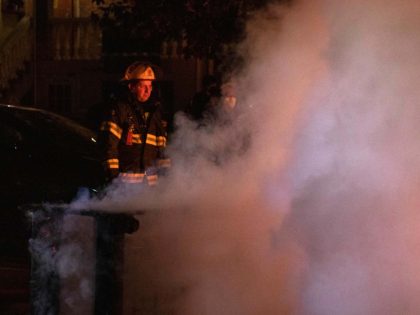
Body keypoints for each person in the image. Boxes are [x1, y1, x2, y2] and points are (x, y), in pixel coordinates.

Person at [98, 61, 170, 185]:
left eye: (150, 86)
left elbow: (162, 149)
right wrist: (113, 180)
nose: (148, 91)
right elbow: (109, 147)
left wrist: (166, 179)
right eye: (143, 86)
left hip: (150, 187)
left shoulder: (155, 113)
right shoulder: (119, 110)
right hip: (125, 186)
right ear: (131, 87)